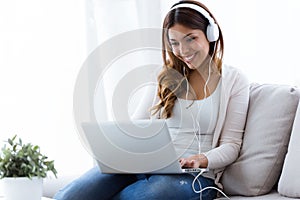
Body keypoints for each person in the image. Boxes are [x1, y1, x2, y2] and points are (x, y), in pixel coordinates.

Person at [54, 0, 249, 199]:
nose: (183, 50)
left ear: (211, 34)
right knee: (70, 196)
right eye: (175, 43)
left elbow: (231, 144)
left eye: (190, 39)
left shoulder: (234, 80)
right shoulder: (165, 76)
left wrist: (201, 159)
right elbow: (137, 124)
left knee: (139, 197)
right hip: (146, 164)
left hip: (195, 177)